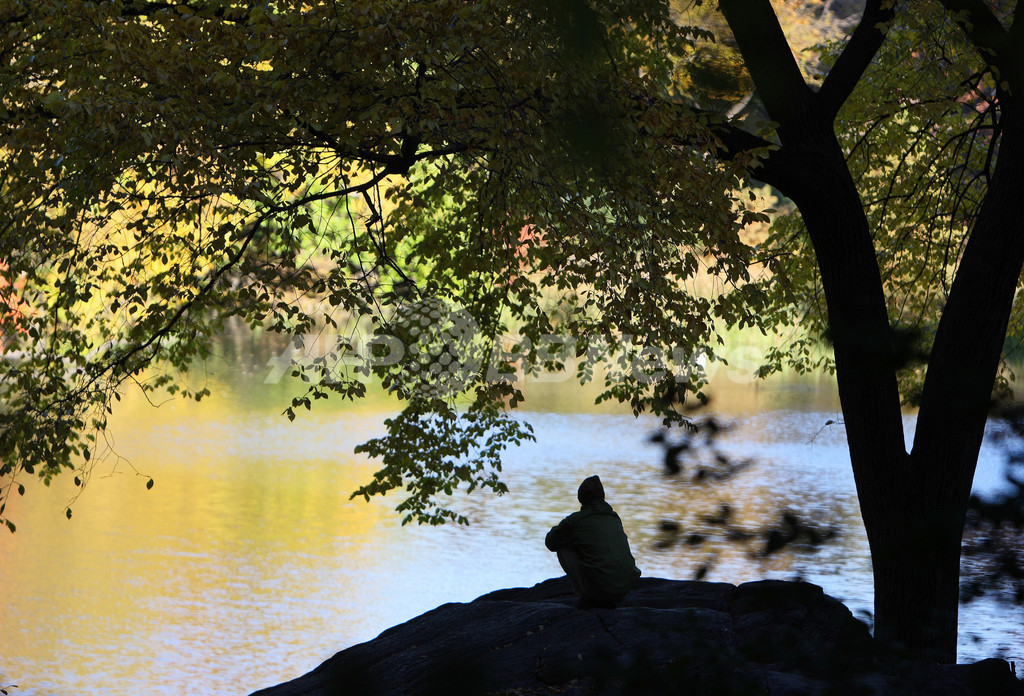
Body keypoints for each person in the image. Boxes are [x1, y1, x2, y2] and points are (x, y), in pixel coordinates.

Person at [545, 475, 642, 609]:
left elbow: (551, 542)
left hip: (599, 589)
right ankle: (605, 594)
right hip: (625, 588)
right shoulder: (613, 517)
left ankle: (587, 596)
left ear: (581, 497)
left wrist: (565, 530)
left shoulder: (576, 521)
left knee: (563, 546)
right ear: (602, 496)